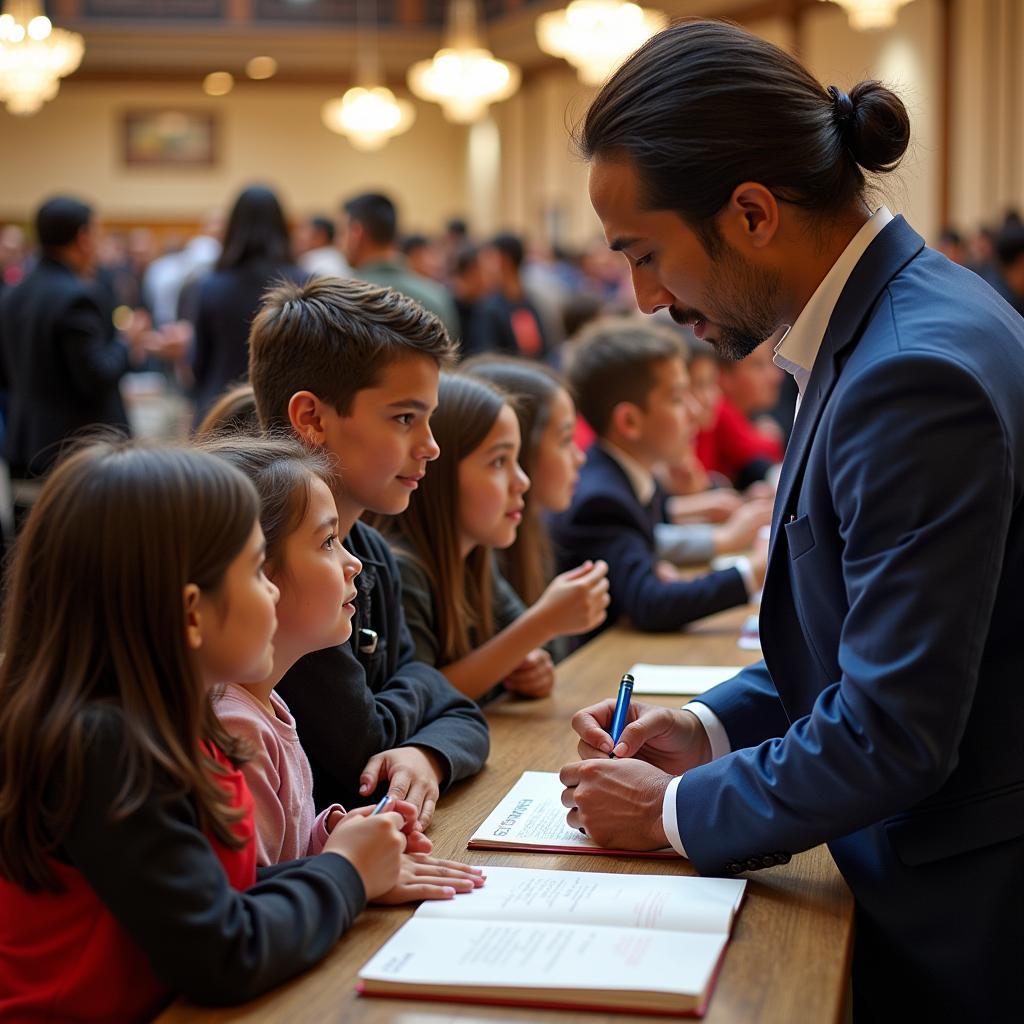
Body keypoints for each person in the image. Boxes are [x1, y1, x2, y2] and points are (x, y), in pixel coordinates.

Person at [557, 19, 1024, 1020]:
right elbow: (864, 631)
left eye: (646, 254)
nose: (642, 297)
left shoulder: (911, 371)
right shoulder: (886, 321)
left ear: (753, 212)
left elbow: (897, 722)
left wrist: (673, 813)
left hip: (968, 915)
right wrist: (708, 726)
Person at [0, 440, 426, 1020]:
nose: (273, 590)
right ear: (193, 612)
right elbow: (222, 952)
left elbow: (228, 898)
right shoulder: (109, 743)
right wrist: (345, 873)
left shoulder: (175, 723)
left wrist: (349, 856)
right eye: (255, 570)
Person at [247, 275, 489, 825]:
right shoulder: (275, 568)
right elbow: (358, 753)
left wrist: (425, 753)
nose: (430, 446)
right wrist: (422, 690)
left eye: (429, 418)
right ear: (311, 418)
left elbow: (458, 710)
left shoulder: (369, 551)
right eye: (405, 418)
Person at [203, 435, 485, 900]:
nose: (354, 562)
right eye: (328, 541)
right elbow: (248, 900)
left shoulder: (267, 701)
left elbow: (280, 856)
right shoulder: (235, 725)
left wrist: (332, 835)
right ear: (259, 573)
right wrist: (347, 868)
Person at [379, 372, 609, 703]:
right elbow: (418, 699)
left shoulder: (477, 554)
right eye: (499, 461)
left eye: (517, 461)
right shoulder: (402, 569)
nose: (522, 482)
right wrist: (542, 622)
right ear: (439, 473)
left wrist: (529, 668)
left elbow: (535, 651)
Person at [549, 317, 763, 639]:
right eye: (677, 398)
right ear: (630, 422)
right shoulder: (601, 499)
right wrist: (755, 572)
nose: (694, 411)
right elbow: (648, 603)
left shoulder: (624, 477)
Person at [0, 197, 151, 494]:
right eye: (96, 233)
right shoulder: (76, 297)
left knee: (31, 536)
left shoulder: (12, 295)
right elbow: (96, 375)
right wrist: (127, 341)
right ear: (82, 238)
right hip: (75, 451)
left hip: (24, 441)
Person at [461, 354, 585, 607]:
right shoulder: (481, 551)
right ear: (524, 448)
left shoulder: (536, 531)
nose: (579, 457)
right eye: (564, 440)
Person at [191, 185, 305, 421]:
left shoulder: (209, 285)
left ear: (233, 227)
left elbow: (198, 363)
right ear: (282, 226)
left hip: (220, 411)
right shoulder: (304, 282)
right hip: (286, 416)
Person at [340, 192, 458, 338]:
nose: (340, 242)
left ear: (356, 234)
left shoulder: (343, 299)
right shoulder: (437, 297)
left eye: (342, 232)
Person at [470, 233, 552, 359]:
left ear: (504, 260)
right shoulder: (530, 303)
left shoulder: (492, 309)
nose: (485, 267)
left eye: (490, 258)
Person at [296, 215, 350, 279]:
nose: (299, 235)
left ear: (321, 235)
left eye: (305, 229)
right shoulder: (341, 257)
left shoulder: (310, 260)